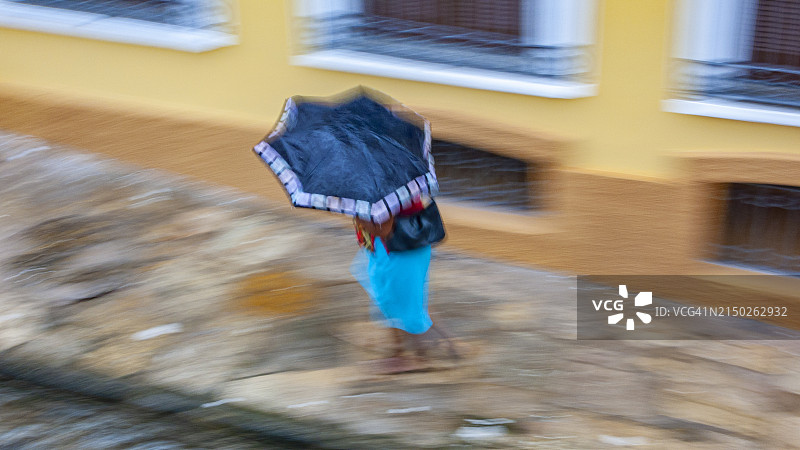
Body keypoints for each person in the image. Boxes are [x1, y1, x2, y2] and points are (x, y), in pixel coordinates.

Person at [351, 196, 457, 374]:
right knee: (398, 301)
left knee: (404, 305)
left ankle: (420, 356)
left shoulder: (384, 192)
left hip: (400, 251)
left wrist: (360, 219)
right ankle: (412, 349)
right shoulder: (391, 185)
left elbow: (384, 230)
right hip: (398, 250)